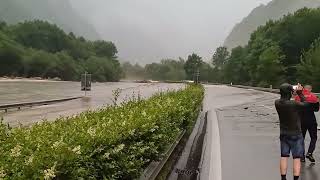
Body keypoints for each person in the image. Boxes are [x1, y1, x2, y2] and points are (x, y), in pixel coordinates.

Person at [275, 83, 306, 180]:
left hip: (283, 133)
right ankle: (295, 178)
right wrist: (300, 93)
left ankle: (283, 178)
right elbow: (305, 105)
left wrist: (293, 92)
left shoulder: (277, 102)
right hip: (296, 133)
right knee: (296, 158)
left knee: (284, 156)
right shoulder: (294, 104)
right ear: (290, 92)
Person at [294, 85, 319, 163]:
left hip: (301, 120)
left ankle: (302, 157)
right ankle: (310, 153)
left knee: (301, 138)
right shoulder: (314, 97)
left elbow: (295, 108)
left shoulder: (297, 97)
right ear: (310, 89)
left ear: (304, 89)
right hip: (311, 120)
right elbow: (316, 110)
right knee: (313, 138)